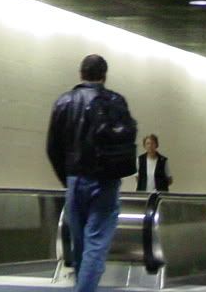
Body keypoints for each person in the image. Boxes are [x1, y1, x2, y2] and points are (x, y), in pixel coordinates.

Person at [47, 54, 136, 292]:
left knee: (80, 245)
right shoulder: (116, 101)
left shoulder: (65, 101)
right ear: (104, 76)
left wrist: (67, 178)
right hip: (106, 182)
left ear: (80, 74)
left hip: (75, 179)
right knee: (95, 244)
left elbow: (52, 147)